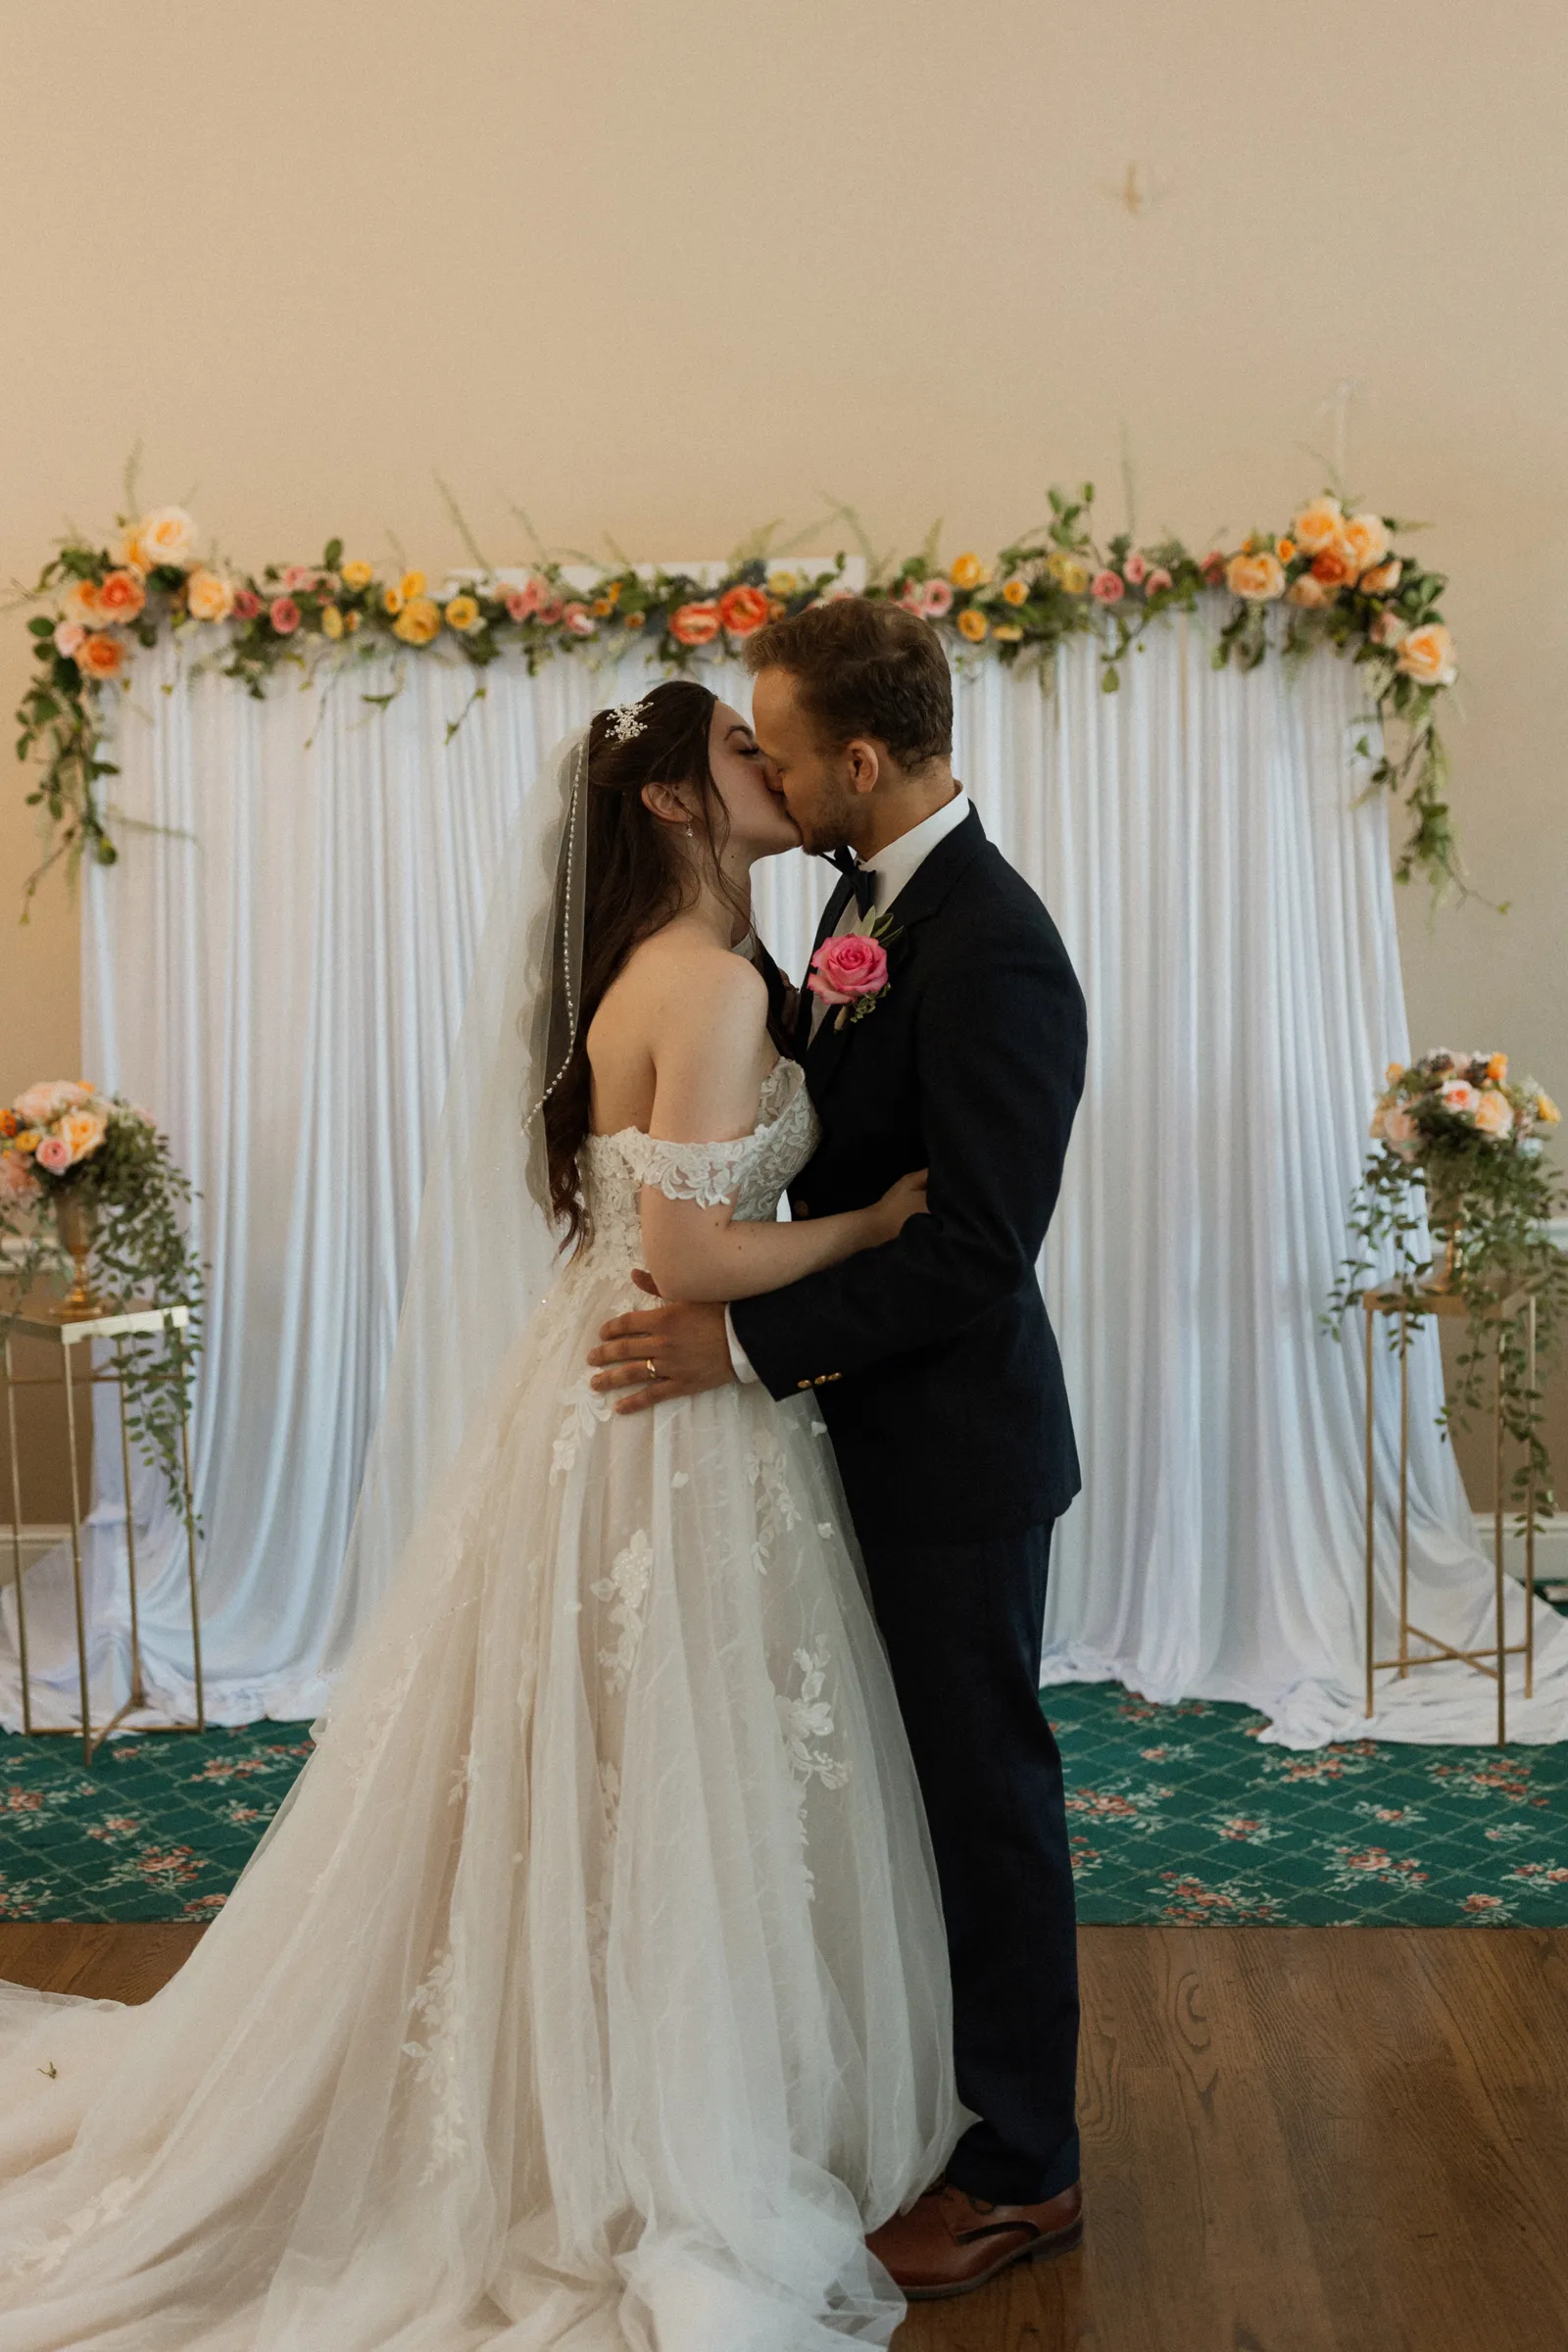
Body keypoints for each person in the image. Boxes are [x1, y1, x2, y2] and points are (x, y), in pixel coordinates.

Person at [0, 681, 959, 2350]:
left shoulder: (652, 976)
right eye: (741, 750)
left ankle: (591, 2078)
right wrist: (870, 1225)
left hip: (596, 1402)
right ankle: (632, 2117)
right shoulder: (715, 985)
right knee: (656, 1766)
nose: (773, 770)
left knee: (605, 1773)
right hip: (668, 1406)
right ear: (669, 803)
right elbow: (692, 1264)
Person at [587, 599, 1089, 2303]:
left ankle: (1027, 2168)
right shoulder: (874, 911)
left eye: (781, 749)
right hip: (850, 1440)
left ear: (857, 762)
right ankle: (919, 2098)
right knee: (888, 1798)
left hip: (955, 1456)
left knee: (985, 1800)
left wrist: (737, 1340)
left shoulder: (997, 944)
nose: (773, 774)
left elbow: (974, 1253)